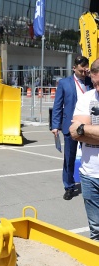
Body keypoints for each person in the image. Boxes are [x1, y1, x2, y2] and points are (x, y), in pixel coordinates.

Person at [51, 56, 93, 200]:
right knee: (69, 157)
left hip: (88, 126)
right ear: (74, 68)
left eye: (85, 70)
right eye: (81, 71)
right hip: (70, 126)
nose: (83, 73)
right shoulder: (64, 83)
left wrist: (91, 73)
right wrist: (55, 125)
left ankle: (90, 183)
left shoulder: (91, 82)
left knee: (90, 156)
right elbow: (58, 105)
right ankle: (69, 186)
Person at [69, 57, 99, 241]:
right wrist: (82, 130)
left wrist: (84, 129)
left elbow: (80, 130)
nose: (97, 89)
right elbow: (74, 132)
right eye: (95, 84)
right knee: (96, 230)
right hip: (89, 175)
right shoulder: (87, 97)